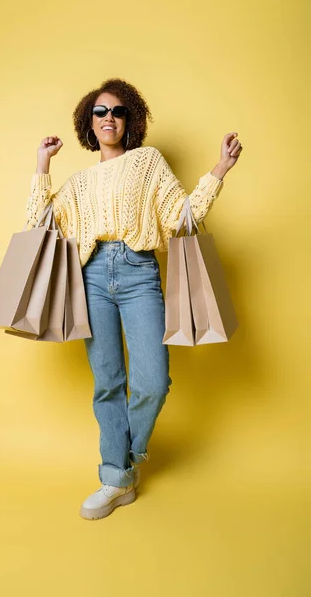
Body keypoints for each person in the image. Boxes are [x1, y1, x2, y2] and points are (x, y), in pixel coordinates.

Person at [25, 77, 243, 521]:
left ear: (131, 120)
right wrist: (43, 164)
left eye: (118, 111)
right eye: (100, 112)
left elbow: (184, 216)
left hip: (138, 271)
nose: (109, 118)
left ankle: (121, 466)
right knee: (108, 383)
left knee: (152, 383)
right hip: (91, 278)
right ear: (90, 122)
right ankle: (116, 483)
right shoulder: (79, 183)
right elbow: (38, 222)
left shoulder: (147, 163)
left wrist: (219, 169)